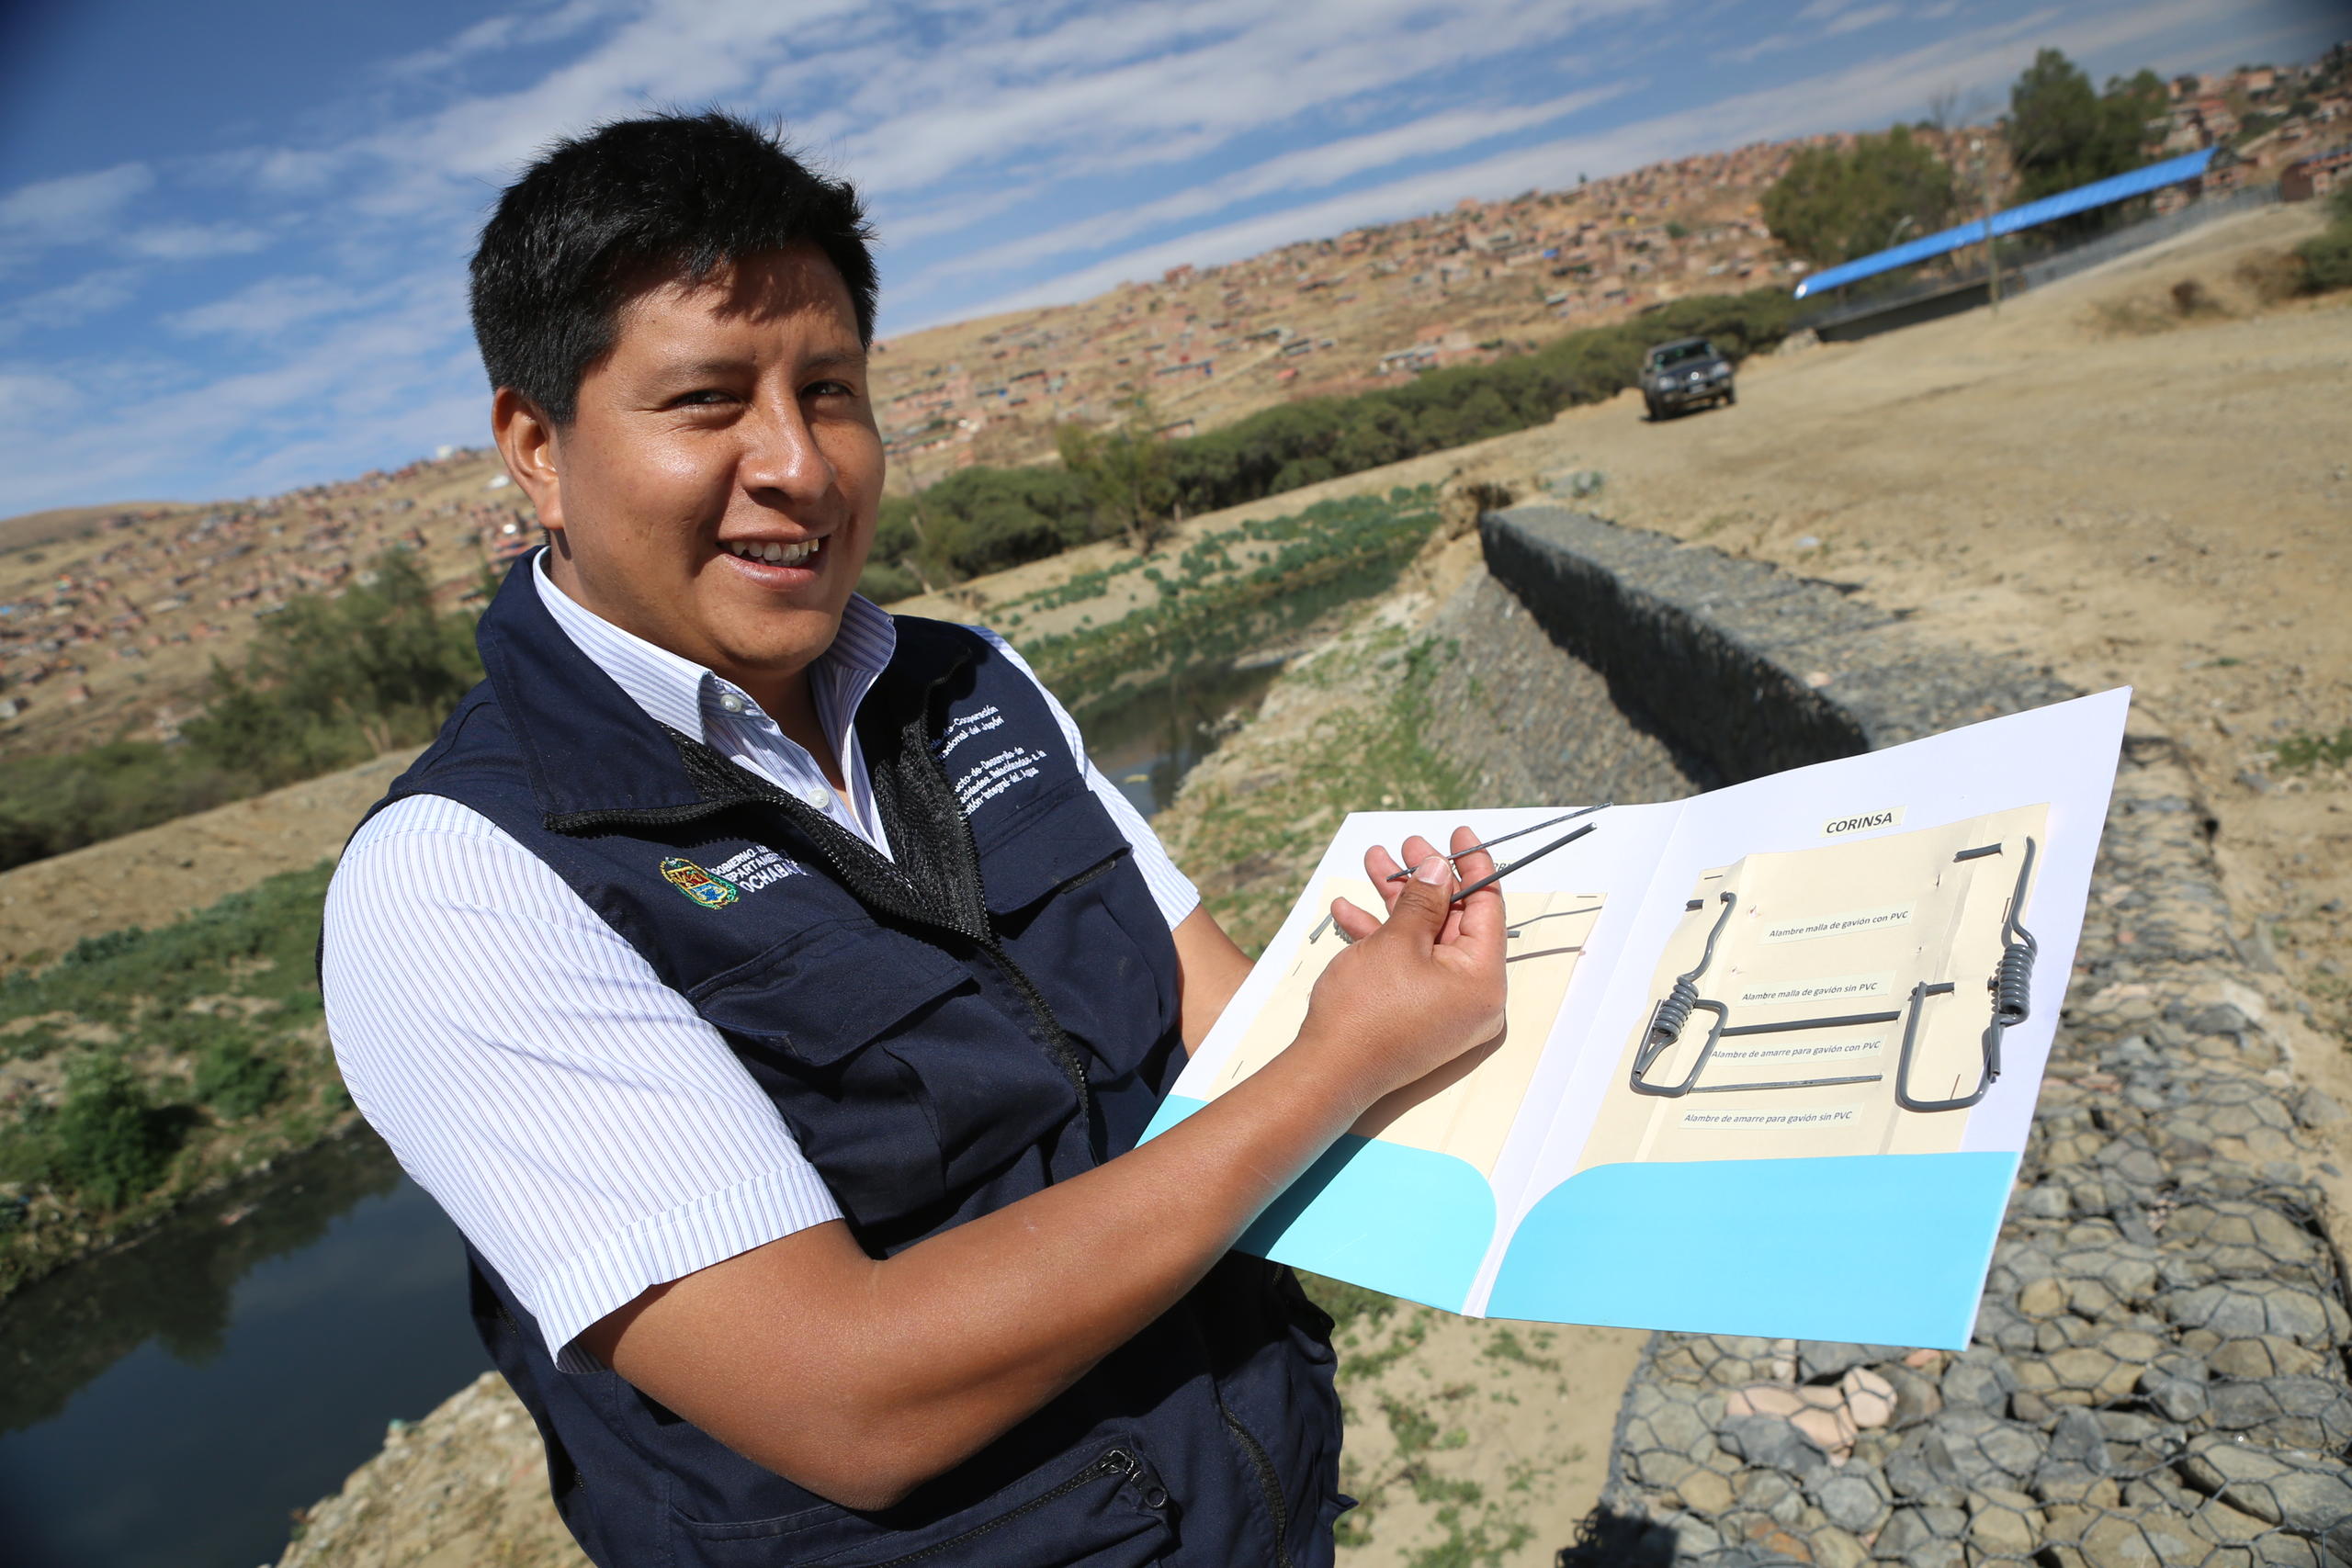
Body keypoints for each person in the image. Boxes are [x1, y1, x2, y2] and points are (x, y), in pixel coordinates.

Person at [322, 109, 1505, 1568]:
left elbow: (1213, 1023)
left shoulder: (969, 686)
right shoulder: (461, 880)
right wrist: (1344, 1058)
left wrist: (1377, 998)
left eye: (830, 389)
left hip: (1252, 1497)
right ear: (538, 450)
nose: (799, 466)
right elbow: (847, 1396)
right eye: (705, 402)